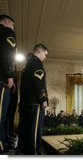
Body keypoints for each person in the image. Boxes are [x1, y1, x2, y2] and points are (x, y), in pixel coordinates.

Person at [18, 44, 49, 154]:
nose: (45, 57)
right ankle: (34, 151)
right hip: (35, 102)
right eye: (45, 54)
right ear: (40, 51)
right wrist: (43, 99)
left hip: (26, 102)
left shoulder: (28, 64)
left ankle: (23, 149)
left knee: (26, 128)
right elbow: (39, 83)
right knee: (35, 130)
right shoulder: (37, 63)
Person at [0, 14, 16, 152]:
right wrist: (10, 76)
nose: (13, 27)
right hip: (1, 79)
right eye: (13, 24)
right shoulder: (7, 31)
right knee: (1, 114)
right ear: (6, 22)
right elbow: (8, 53)